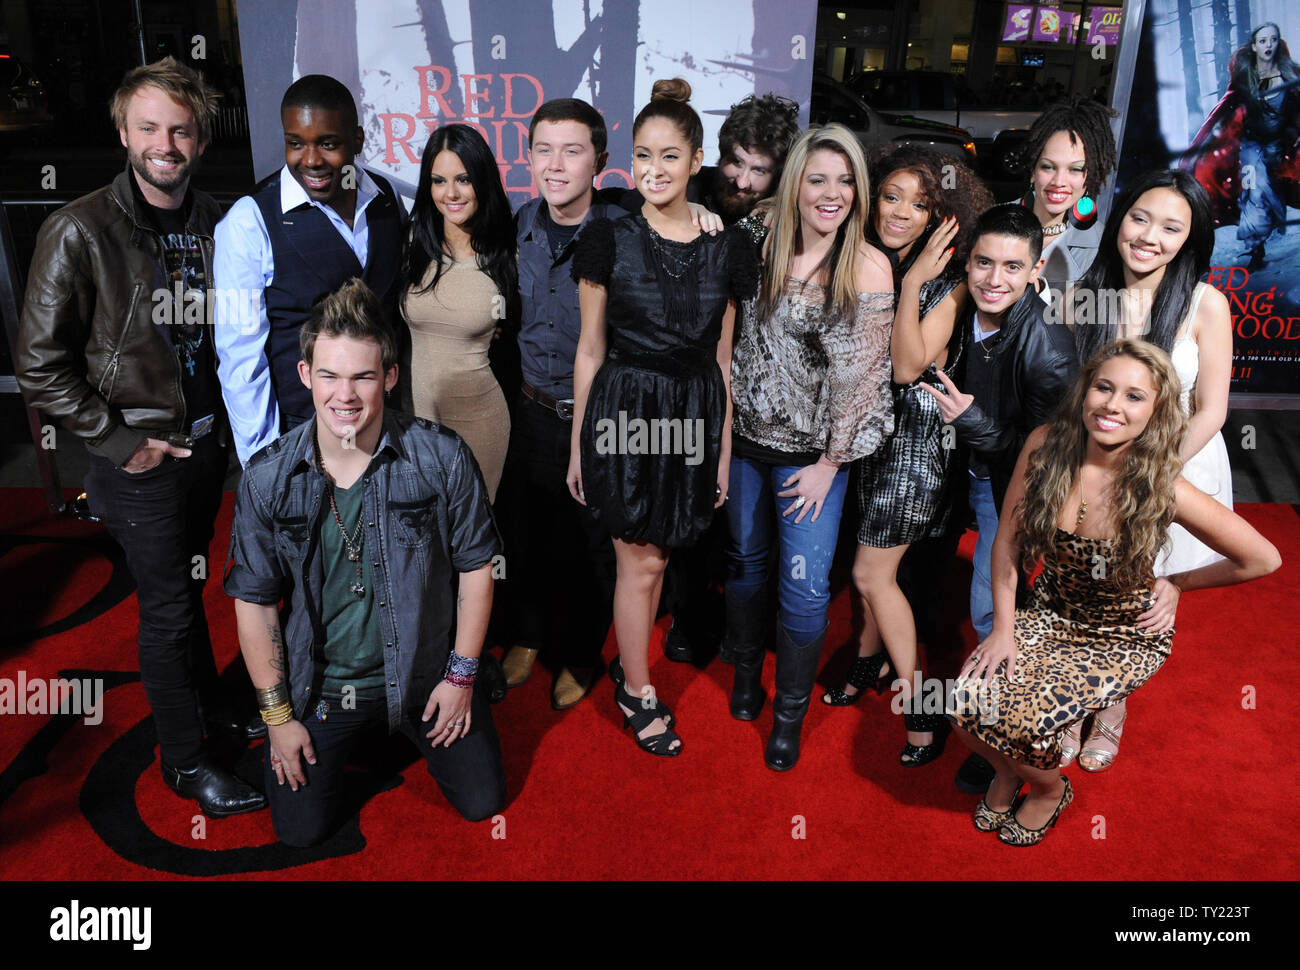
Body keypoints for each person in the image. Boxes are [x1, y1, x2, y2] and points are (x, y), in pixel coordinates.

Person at [16, 57, 265, 817]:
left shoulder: (216, 219)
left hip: (203, 451)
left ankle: (212, 708)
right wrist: (121, 442)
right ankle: (185, 763)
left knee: (190, 592)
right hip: (140, 460)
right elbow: (37, 365)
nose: (166, 142)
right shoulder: (78, 230)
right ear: (123, 132)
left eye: (181, 129)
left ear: (200, 139)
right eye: (150, 127)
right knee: (166, 608)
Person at [949, 339, 1279, 845]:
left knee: (1027, 719)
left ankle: (1047, 790)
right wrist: (1004, 630)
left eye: (1134, 397)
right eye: (1104, 388)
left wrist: (1176, 583)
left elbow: (1262, 558)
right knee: (963, 705)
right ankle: (1011, 771)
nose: (1112, 406)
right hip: (1050, 610)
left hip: (1121, 632)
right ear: (1084, 391)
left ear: (1156, 412)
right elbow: (1007, 546)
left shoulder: (1161, 485)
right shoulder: (1043, 445)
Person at [224, 279, 506, 846]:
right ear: (305, 376)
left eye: (363, 376)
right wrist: (278, 719)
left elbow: (477, 567)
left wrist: (461, 677)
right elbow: (253, 603)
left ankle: (403, 726)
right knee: (299, 831)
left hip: (427, 676)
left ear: (391, 377)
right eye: (328, 375)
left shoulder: (442, 456)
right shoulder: (268, 477)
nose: (344, 394)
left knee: (483, 803)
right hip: (326, 689)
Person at [567, 78, 758, 756]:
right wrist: (576, 447)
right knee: (640, 565)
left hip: (695, 415)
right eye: (642, 155)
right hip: (624, 412)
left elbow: (727, 359)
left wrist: (725, 451)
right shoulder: (606, 237)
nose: (653, 170)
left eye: (670, 156)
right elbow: (589, 349)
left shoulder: (728, 246)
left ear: (697, 160)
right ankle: (637, 690)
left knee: (661, 556)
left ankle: (630, 665)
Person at [725, 125, 895, 770]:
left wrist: (830, 464)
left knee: (803, 589)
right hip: (744, 442)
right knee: (743, 566)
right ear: (794, 183)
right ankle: (745, 676)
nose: (833, 194)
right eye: (818, 178)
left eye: (846, 180)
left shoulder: (868, 265)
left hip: (813, 460)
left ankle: (788, 714)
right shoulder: (758, 239)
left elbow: (861, 383)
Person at [822, 146, 992, 767]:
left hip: (914, 448)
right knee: (867, 569)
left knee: (871, 574)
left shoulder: (948, 282)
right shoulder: (862, 262)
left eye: (919, 205)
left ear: (940, 218)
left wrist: (916, 278)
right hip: (865, 438)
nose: (900, 212)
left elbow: (908, 366)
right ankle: (867, 662)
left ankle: (922, 707)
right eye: (891, 196)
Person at [1063, 168, 1232, 770]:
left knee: (1145, 594)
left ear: (1190, 238)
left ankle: (1111, 707)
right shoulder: (1085, 292)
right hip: (1096, 463)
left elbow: (1212, 408)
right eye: (1139, 217)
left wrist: (1155, 472)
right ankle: (1073, 698)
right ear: (1119, 218)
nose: (1149, 236)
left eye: (1171, 227)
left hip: (1176, 466)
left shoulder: (1206, 303)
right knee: (1088, 588)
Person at [924, 204, 1078, 793]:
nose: (994, 278)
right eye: (983, 262)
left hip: (1005, 484)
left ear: (1036, 269)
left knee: (995, 613)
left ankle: (999, 740)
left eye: (1012, 267)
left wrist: (974, 422)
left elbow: (1043, 459)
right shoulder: (963, 311)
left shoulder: (1050, 348)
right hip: (959, 468)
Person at [497, 97, 625, 709]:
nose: (555, 165)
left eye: (571, 151)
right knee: (526, 534)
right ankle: (527, 635)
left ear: (599, 161)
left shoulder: (623, 236)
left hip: (598, 421)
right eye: (543, 150)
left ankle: (580, 653)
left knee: (590, 545)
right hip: (528, 408)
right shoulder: (518, 226)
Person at [215, 74, 405, 464]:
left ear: (357, 139)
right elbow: (240, 360)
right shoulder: (248, 221)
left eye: (328, 143)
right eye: (295, 143)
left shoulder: (386, 199)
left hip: (387, 425)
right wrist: (263, 462)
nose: (311, 160)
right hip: (300, 434)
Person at [398, 124, 515, 500]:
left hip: (480, 419)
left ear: (482, 180)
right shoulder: (409, 243)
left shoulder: (507, 252)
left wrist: (690, 206)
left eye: (463, 179)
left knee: (471, 543)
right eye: (438, 180)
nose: (450, 193)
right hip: (411, 420)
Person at [1183, 23, 1300, 270]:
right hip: (1252, 146)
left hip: (1281, 145)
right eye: (1263, 40)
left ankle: (1272, 232)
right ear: (1255, 46)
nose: (1268, 45)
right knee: (1254, 192)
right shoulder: (1245, 79)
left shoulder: (1291, 78)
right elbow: (1225, 113)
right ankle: (1254, 249)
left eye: (1273, 40)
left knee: (1274, 192)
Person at [1018, 96, 1118, 299]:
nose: (1059, 181)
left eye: (1076, 169)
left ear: (1091, 175)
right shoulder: (989, 220)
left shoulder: (1103, 249)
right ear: (1033, 169)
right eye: (1048, 166)